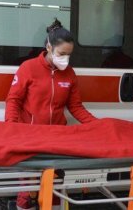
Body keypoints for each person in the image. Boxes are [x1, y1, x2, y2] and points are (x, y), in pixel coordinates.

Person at [5, 19, 98, 210]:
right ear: (49, 46)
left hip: (57, 138)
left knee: (55, 187)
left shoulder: (69, 74)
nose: (65, 59)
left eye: (69, 55)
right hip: (30, 137)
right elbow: (13, 101)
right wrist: (11, 129)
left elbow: (76, 107)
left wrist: (97, 125)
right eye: (62, 54)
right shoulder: (28, 68)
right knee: (28, 189)